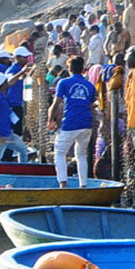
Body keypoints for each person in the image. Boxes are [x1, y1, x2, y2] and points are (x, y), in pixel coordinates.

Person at [47, 56, 98, 187]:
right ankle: (83, 185)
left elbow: (56, 104)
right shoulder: (90, 85)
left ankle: (63, 184)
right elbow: (92, 106)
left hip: (71, 122)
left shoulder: (63, 83)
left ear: (69, 69)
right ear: (82, 69)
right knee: (81, 154)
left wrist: (50, 121)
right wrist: (96, 122)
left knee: (59, 152)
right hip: (86, 123)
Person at [0, 70, 29, 163]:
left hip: (9, 133)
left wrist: (22, 71)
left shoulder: (3, 93)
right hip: (0, 135)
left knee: (23, 149)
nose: (7, 82)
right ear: (3, 84)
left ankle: (23, 171)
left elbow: (12, 82)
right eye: (6, 81)